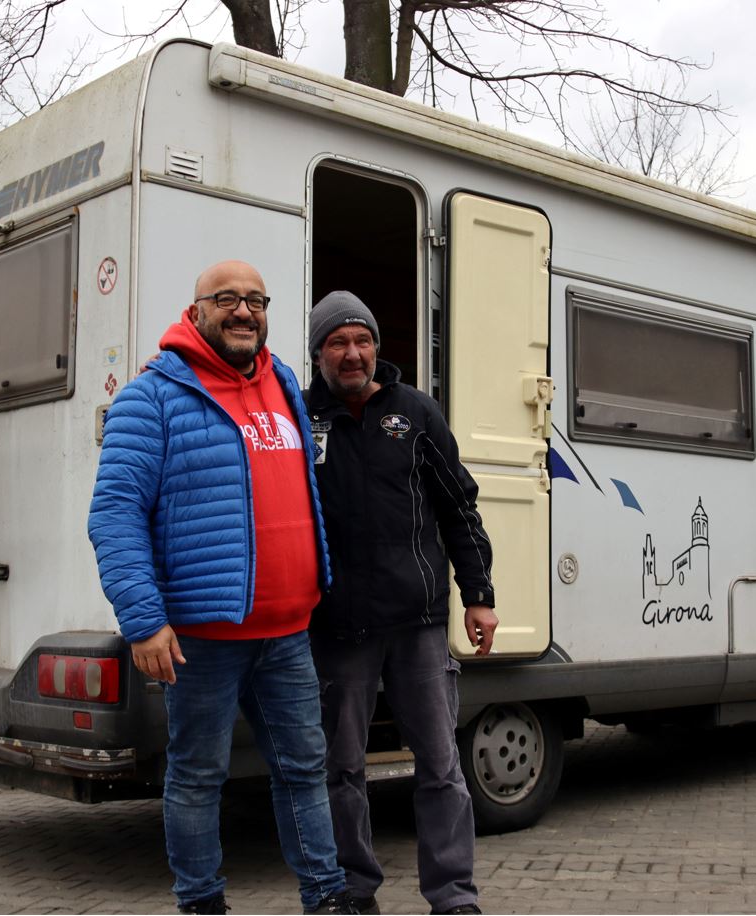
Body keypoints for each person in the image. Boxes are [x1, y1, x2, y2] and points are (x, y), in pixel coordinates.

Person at [88, 261, 353, 916]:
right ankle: (201, 904)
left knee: (304, 773)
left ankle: (327, 900)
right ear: (197, 310)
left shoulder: (283, 383)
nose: (243, 311)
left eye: (255, 300)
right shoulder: (150, 399)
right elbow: (114, 514)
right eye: (227, 299)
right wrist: (143, 620)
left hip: (288, 632)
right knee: (198, 778)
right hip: (203, 639)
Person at [303, 291, 498, 916]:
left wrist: (480, 596)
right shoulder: (301, 420)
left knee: (440, 766)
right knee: (341, 770)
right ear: (318, 354)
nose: (352, 353)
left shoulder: (415, 413)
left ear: (377, 348)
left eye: (362, 340)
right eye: (338, 343)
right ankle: (353, 891)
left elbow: (458, 506)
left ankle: (453, 896)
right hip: (337, 627)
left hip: (416, 623)